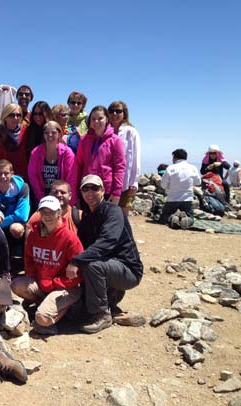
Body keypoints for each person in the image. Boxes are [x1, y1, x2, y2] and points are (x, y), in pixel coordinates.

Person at [67, 175, 143, 334]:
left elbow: (107, 241)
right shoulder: (88, 216)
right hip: (111, 267)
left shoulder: (113, 212)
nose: (90, 192)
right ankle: (109, 300)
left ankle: (102, 314)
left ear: (103, 190)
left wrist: (76, 261)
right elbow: (82, 245)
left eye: (94, 188)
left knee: (91, 265)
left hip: (128, 270)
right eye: (85, 189)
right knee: (86, 262)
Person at [12, 196, 84, 335]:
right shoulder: (34, 234)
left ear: (59, 213)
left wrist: (53, 283)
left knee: (41, 319)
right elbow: (29, 259)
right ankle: (44, 303)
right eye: (43, 212)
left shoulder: (69, 237)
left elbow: (79, 272)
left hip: (66, 287)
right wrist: (34, 277)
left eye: (51, 211)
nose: (47, 216)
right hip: (44, 283)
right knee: (17, 285)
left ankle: (67, 309)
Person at [76, 106, 125, 206]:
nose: (96, 121)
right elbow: (79, 165)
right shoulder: (84, 140)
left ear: (107, 119)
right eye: (93, 119)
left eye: (100, 118)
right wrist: (76, 189)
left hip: (105, 190)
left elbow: (120, 167)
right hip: (86, 188)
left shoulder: (115, 140)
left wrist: (116, 193)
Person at [28, 121, 78, 205]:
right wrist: (42, 199)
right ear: (43, 135)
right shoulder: (36, 152)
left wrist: (66, 202)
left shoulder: (67, 153)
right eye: (46, 132)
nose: (50, 135)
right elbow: (33, 177)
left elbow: (71, 179)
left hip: (63, 197)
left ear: (59, 134)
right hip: (43, 197)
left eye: (53, 132)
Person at [0, 159, 30, 258]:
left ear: (12, 174)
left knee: (16, 229)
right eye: (0, 173)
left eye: (6, 173)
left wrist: (1, 223)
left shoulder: (23, 188)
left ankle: (19, 251)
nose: (3, 176)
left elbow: (22, 216)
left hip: (16, 225)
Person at [108, 101, 141, 215]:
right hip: (108, 180)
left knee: (122, 216)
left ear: (124, 113)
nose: (114, 114)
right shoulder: (105, 131)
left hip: (126, 182)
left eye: (118, 111)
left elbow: (135, 157)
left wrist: (134, 182)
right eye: (111, 111)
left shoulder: (131, 132)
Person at [0, 103, 28, 180]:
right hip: (3, 178)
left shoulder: (26, 131)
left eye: (18, 115)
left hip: (21, 178)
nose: (15, 118)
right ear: (5, 117)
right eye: (12, 115)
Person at [160, 149, 202, 229]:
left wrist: (169, 186)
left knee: (164, 216)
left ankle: (171, 218)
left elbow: (163, 185)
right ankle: (187, 220)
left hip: (172, 199)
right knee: (191, 217)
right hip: (187, 199)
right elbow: (198, 182)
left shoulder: (170, 168)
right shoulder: (192, 168)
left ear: (175, 158)